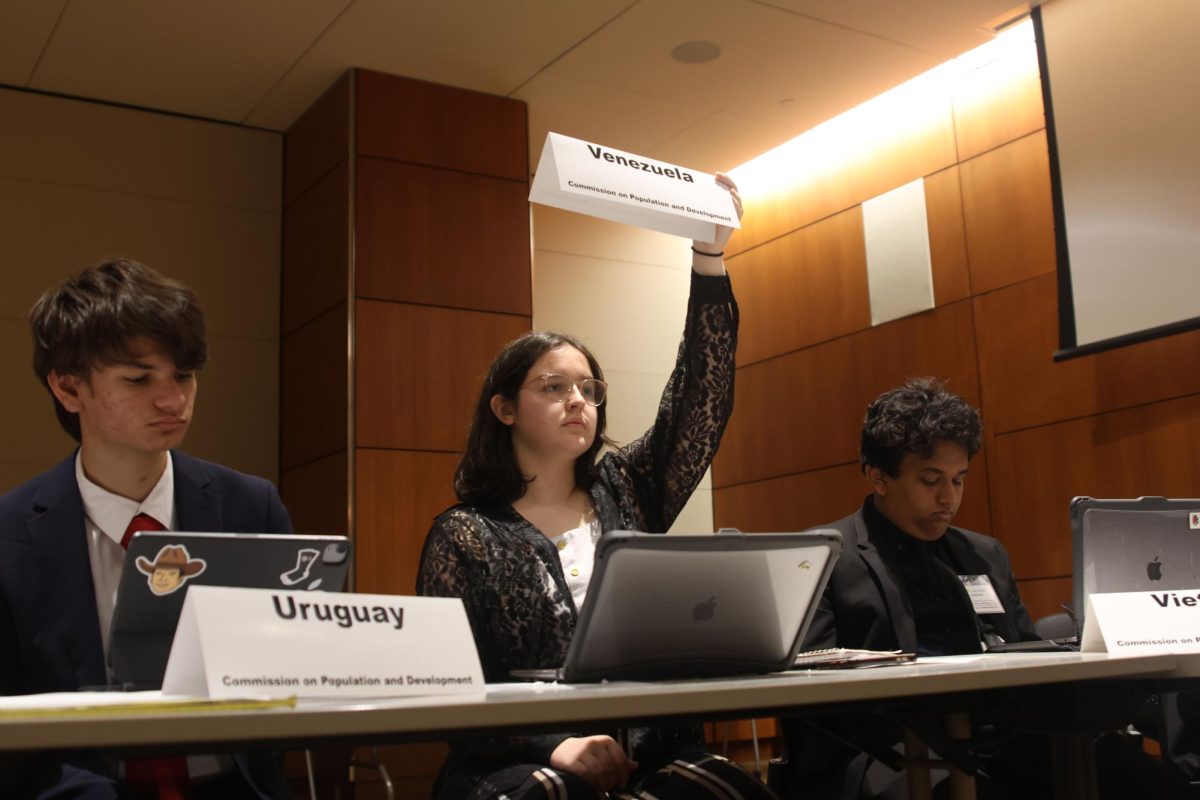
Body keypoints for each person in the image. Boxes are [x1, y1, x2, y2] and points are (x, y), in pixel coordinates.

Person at [418, 176, 775, 800]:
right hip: (522, 757)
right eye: (553, 387)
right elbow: (452, 687)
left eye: (587, 388)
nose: (577, 400)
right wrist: (554, 744)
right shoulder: (465, 533)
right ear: (504, 409)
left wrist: (709, 257)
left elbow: (702, 403)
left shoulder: (629, 487)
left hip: (653, 750)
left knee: (728, 789)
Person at [0, 259, 291, 799]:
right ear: (68, 389)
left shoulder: (253, 507)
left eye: (184, 375)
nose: (174, 401)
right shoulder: (8, 536)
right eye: (139, 379)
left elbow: (289, 683)